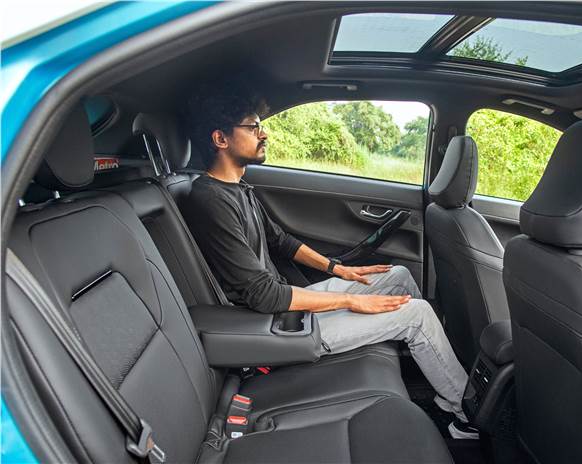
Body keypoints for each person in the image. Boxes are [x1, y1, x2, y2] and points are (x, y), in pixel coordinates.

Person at [182, 78, 474, 439]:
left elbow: (281, 241)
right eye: (253, 126)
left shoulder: (238, 189)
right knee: (417, 314)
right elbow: (262, 294)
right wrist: (350, 300)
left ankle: (427, 369)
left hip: (288, 311)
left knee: (396, 275)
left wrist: (341, 269)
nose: (264, 134)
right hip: (272, 329)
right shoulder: (208, 199)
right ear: (220, 139)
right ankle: (467, 415)